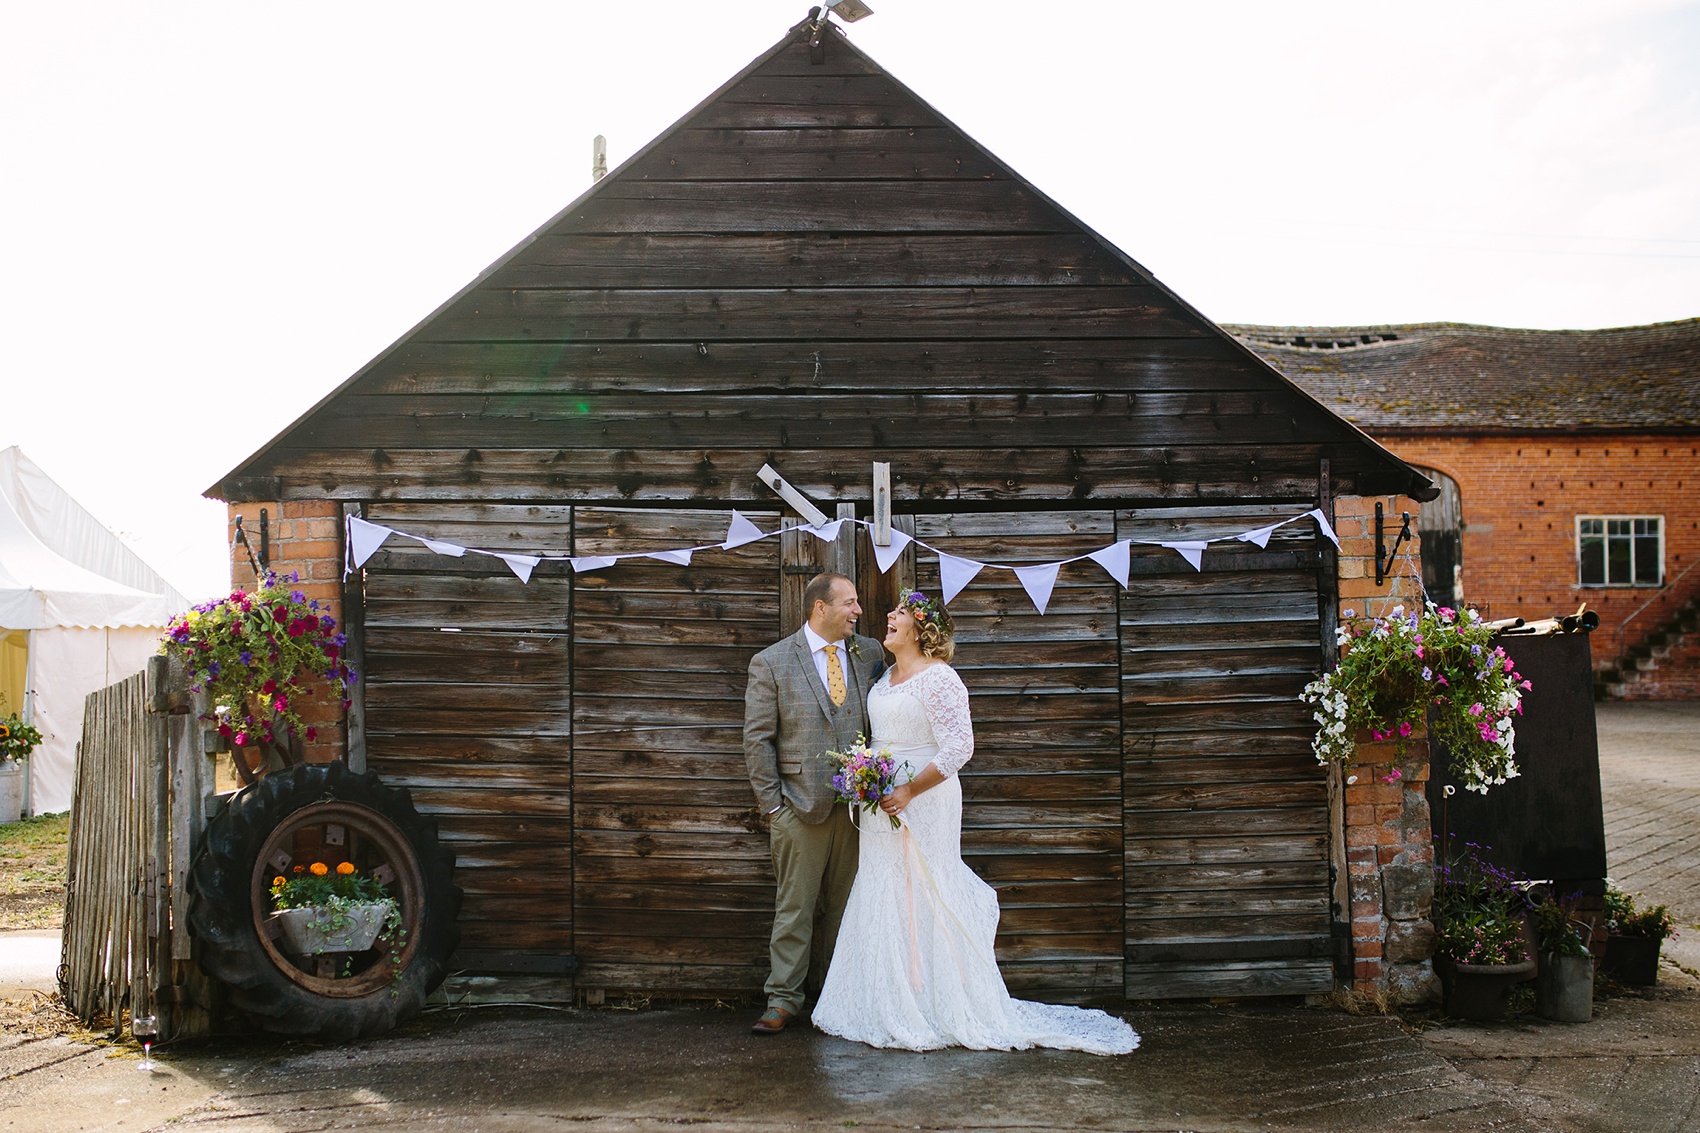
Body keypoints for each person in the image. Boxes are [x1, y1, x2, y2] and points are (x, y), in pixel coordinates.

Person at [810, 589, 1139, 1054]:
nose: (888, 615)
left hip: (925, 800)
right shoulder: (883, 679)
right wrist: (868, 777)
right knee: (886, 887)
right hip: (882, 802)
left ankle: (941, 1001)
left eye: (900, 612)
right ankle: (895, 999)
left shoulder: (940, 679)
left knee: (929, 888)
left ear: (922, 631)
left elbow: (959, 748)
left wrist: (908, 790)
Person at [743, 572, 885, 1035]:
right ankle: (783, 999)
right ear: (819, 608)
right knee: (795, 908)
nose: (858, 611)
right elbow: (757, 739)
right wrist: (773, 806)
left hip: (858, 811)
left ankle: (835, 997)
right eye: (850, 603)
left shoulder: (870, 656)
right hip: (798, 808)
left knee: (846, 909)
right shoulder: (772, 662)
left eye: (857, 603)